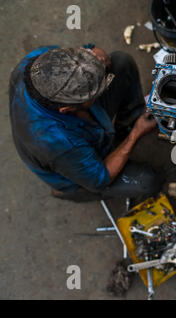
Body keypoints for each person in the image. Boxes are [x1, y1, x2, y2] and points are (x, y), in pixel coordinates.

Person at [9, 45, 161, 201]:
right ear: (67, 109)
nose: (105, 85)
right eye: (96, 94)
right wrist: (135, 134)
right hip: (73, 163)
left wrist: (99, 56)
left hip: (74, 126)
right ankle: (72, 192)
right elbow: (100, 179)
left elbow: (90, 49)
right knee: (148, 182)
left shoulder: (41, 61)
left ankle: (124, 129)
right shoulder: (55, 141)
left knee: (121, 62)